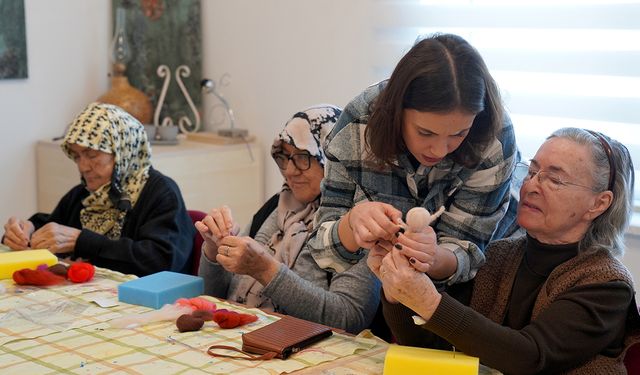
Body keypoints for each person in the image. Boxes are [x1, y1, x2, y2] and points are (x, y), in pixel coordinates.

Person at [372, 128, 640, 373]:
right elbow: (431, 348)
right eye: (532, 172)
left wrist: (428, 301)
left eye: (555, 179)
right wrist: (396, 286)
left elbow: (529, 357)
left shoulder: (607, 285)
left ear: (599, 203)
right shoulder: (498, 256)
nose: (531, 186)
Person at [307, 33, 519, 286]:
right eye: (425, 132)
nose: (440, 150)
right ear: (397, 112)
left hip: (466, 299)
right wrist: (352, 223)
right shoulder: (360, 124)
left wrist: (433, 257)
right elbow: (322, 251)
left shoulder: (492, 137)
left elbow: (469, 254)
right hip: (381, 286)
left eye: (459, 134)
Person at [196, 105, 380, 334]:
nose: (290, 171)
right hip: (243, 337)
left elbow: (349, 317)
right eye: (284, 157)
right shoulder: (278, 205)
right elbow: (216, 298)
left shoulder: (358, 222)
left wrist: (265, 269)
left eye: (303, 157)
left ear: (335, 161)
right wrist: (214, 251)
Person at [2, 102, 194, 276]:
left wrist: (81, 241)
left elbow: (160, 261)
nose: (83, 167)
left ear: (123, 153)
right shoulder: (84, 194)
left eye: (92, 155)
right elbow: (52, 224)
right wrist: (24, 232)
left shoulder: (160, 193)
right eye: (77, 156)